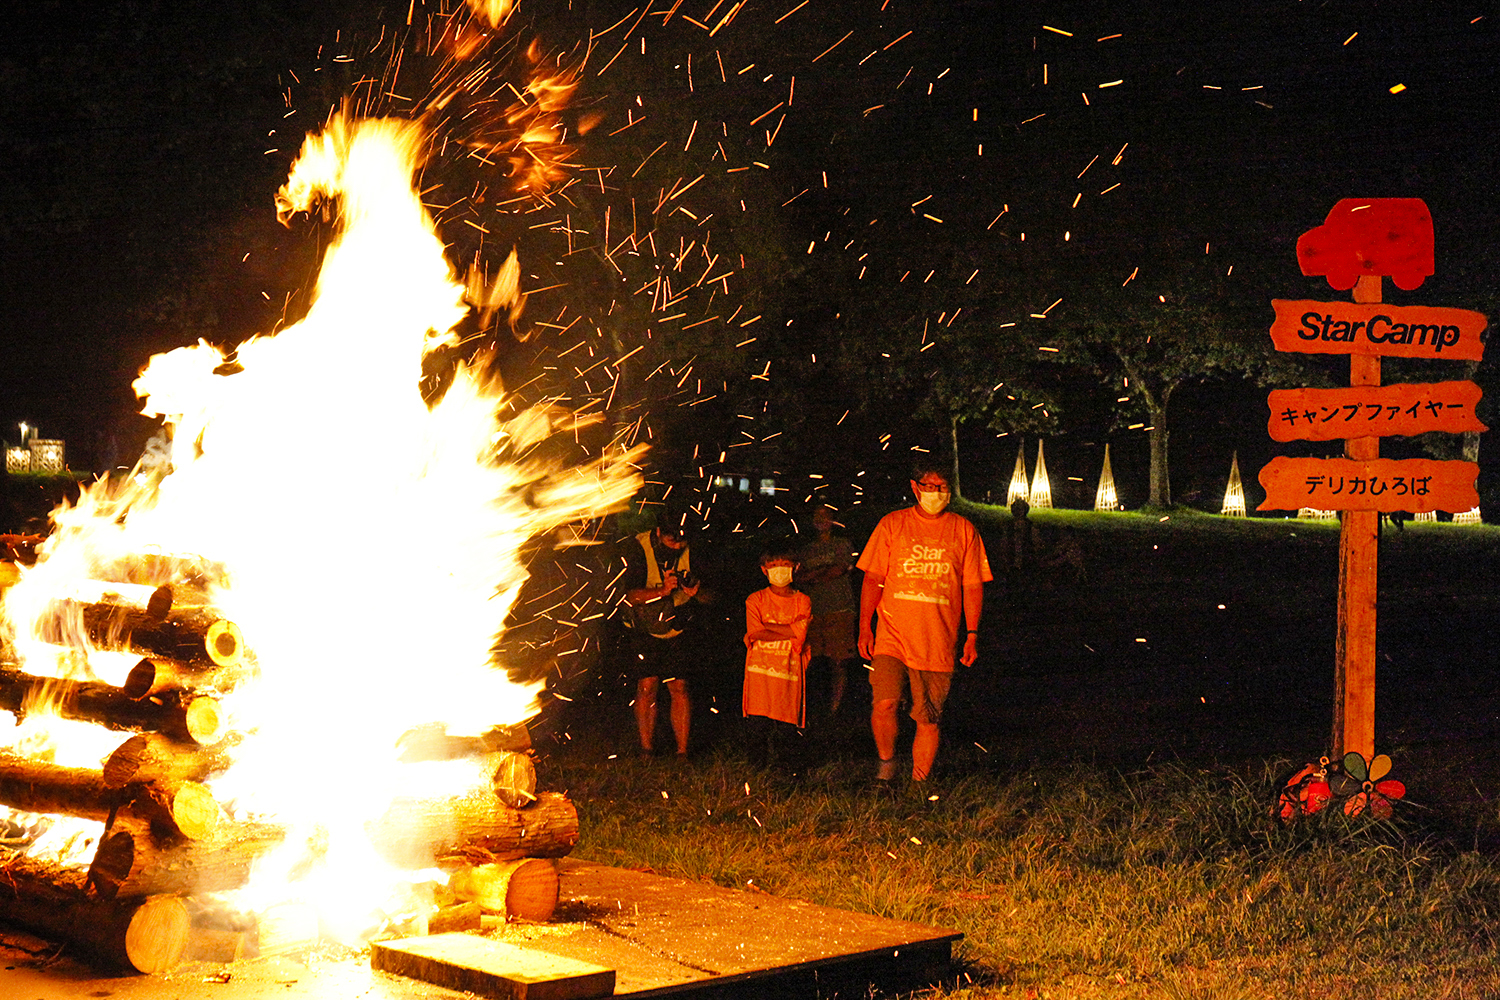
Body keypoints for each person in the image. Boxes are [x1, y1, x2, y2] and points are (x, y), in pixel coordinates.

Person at [857, 462, 991, 785]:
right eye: (928, 487)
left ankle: (919, 783)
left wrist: (972, 633)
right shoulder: (893, 525)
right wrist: (864, 625)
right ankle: (886, 768)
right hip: (892, 634)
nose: (935, 494)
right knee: (885, 703)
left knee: (928, 717)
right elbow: (874, 576)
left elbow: (973, 585)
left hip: (937, 640)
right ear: (916, 488)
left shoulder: (964, 530)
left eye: (941, 487)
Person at [621, 519, 702, 758]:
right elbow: (629, 595)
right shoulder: (638, 548)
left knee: (679, 686)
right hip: (643, 626)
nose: (677, 546)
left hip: (676, 625)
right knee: (647, 685)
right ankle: (646, 749)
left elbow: (712, 595)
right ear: (658, 532)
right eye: (671, 540)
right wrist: (661, 591)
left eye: (681, 541)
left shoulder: (692, 549)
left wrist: (696, 591)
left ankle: (682, 752)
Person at [742, 542, 812, 772]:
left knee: (786, 727)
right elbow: (755, 633)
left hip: (789, 675)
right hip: (759, 674)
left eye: (785, 565)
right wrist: (790, 629)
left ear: (796, 567)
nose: (779, 570)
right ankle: (756, 770)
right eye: (774, 565)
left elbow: (800, 632)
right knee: (757, 725)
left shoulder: (803, 600)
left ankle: (787, 771)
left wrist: (768, 627)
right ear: (764, 569)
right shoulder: (755, 600)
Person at [797, 505, 859, 716]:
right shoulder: (806, 550)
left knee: (838, 661)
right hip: (814, 611)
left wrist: (816, 575)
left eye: (825, 515)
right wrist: (821, 573)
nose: (821, 519)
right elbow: (799, 577)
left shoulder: (842, 545)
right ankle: (814, 706)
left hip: (839, 609)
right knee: (814, 661)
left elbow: (839, 569)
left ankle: (836, 709)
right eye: (817, 515)